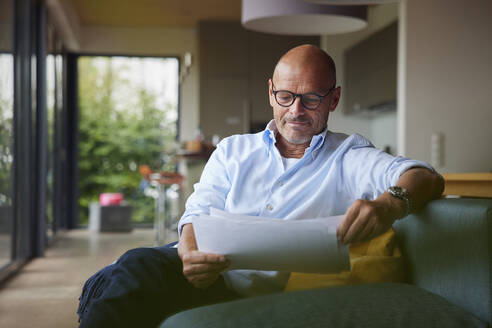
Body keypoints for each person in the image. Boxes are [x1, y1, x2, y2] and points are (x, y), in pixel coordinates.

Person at [78, 44, 444, 327]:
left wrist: (390, 204)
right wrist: (189, 254)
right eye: (286, 96)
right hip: (205, 273)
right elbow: (197, 211)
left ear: (333, 98)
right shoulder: (233, 149)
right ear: (271, 92)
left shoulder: (349, 156)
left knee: (121, 276)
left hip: (258, 293)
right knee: (128, 272)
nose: (296, 110)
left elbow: (425, 176)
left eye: (312, 98)